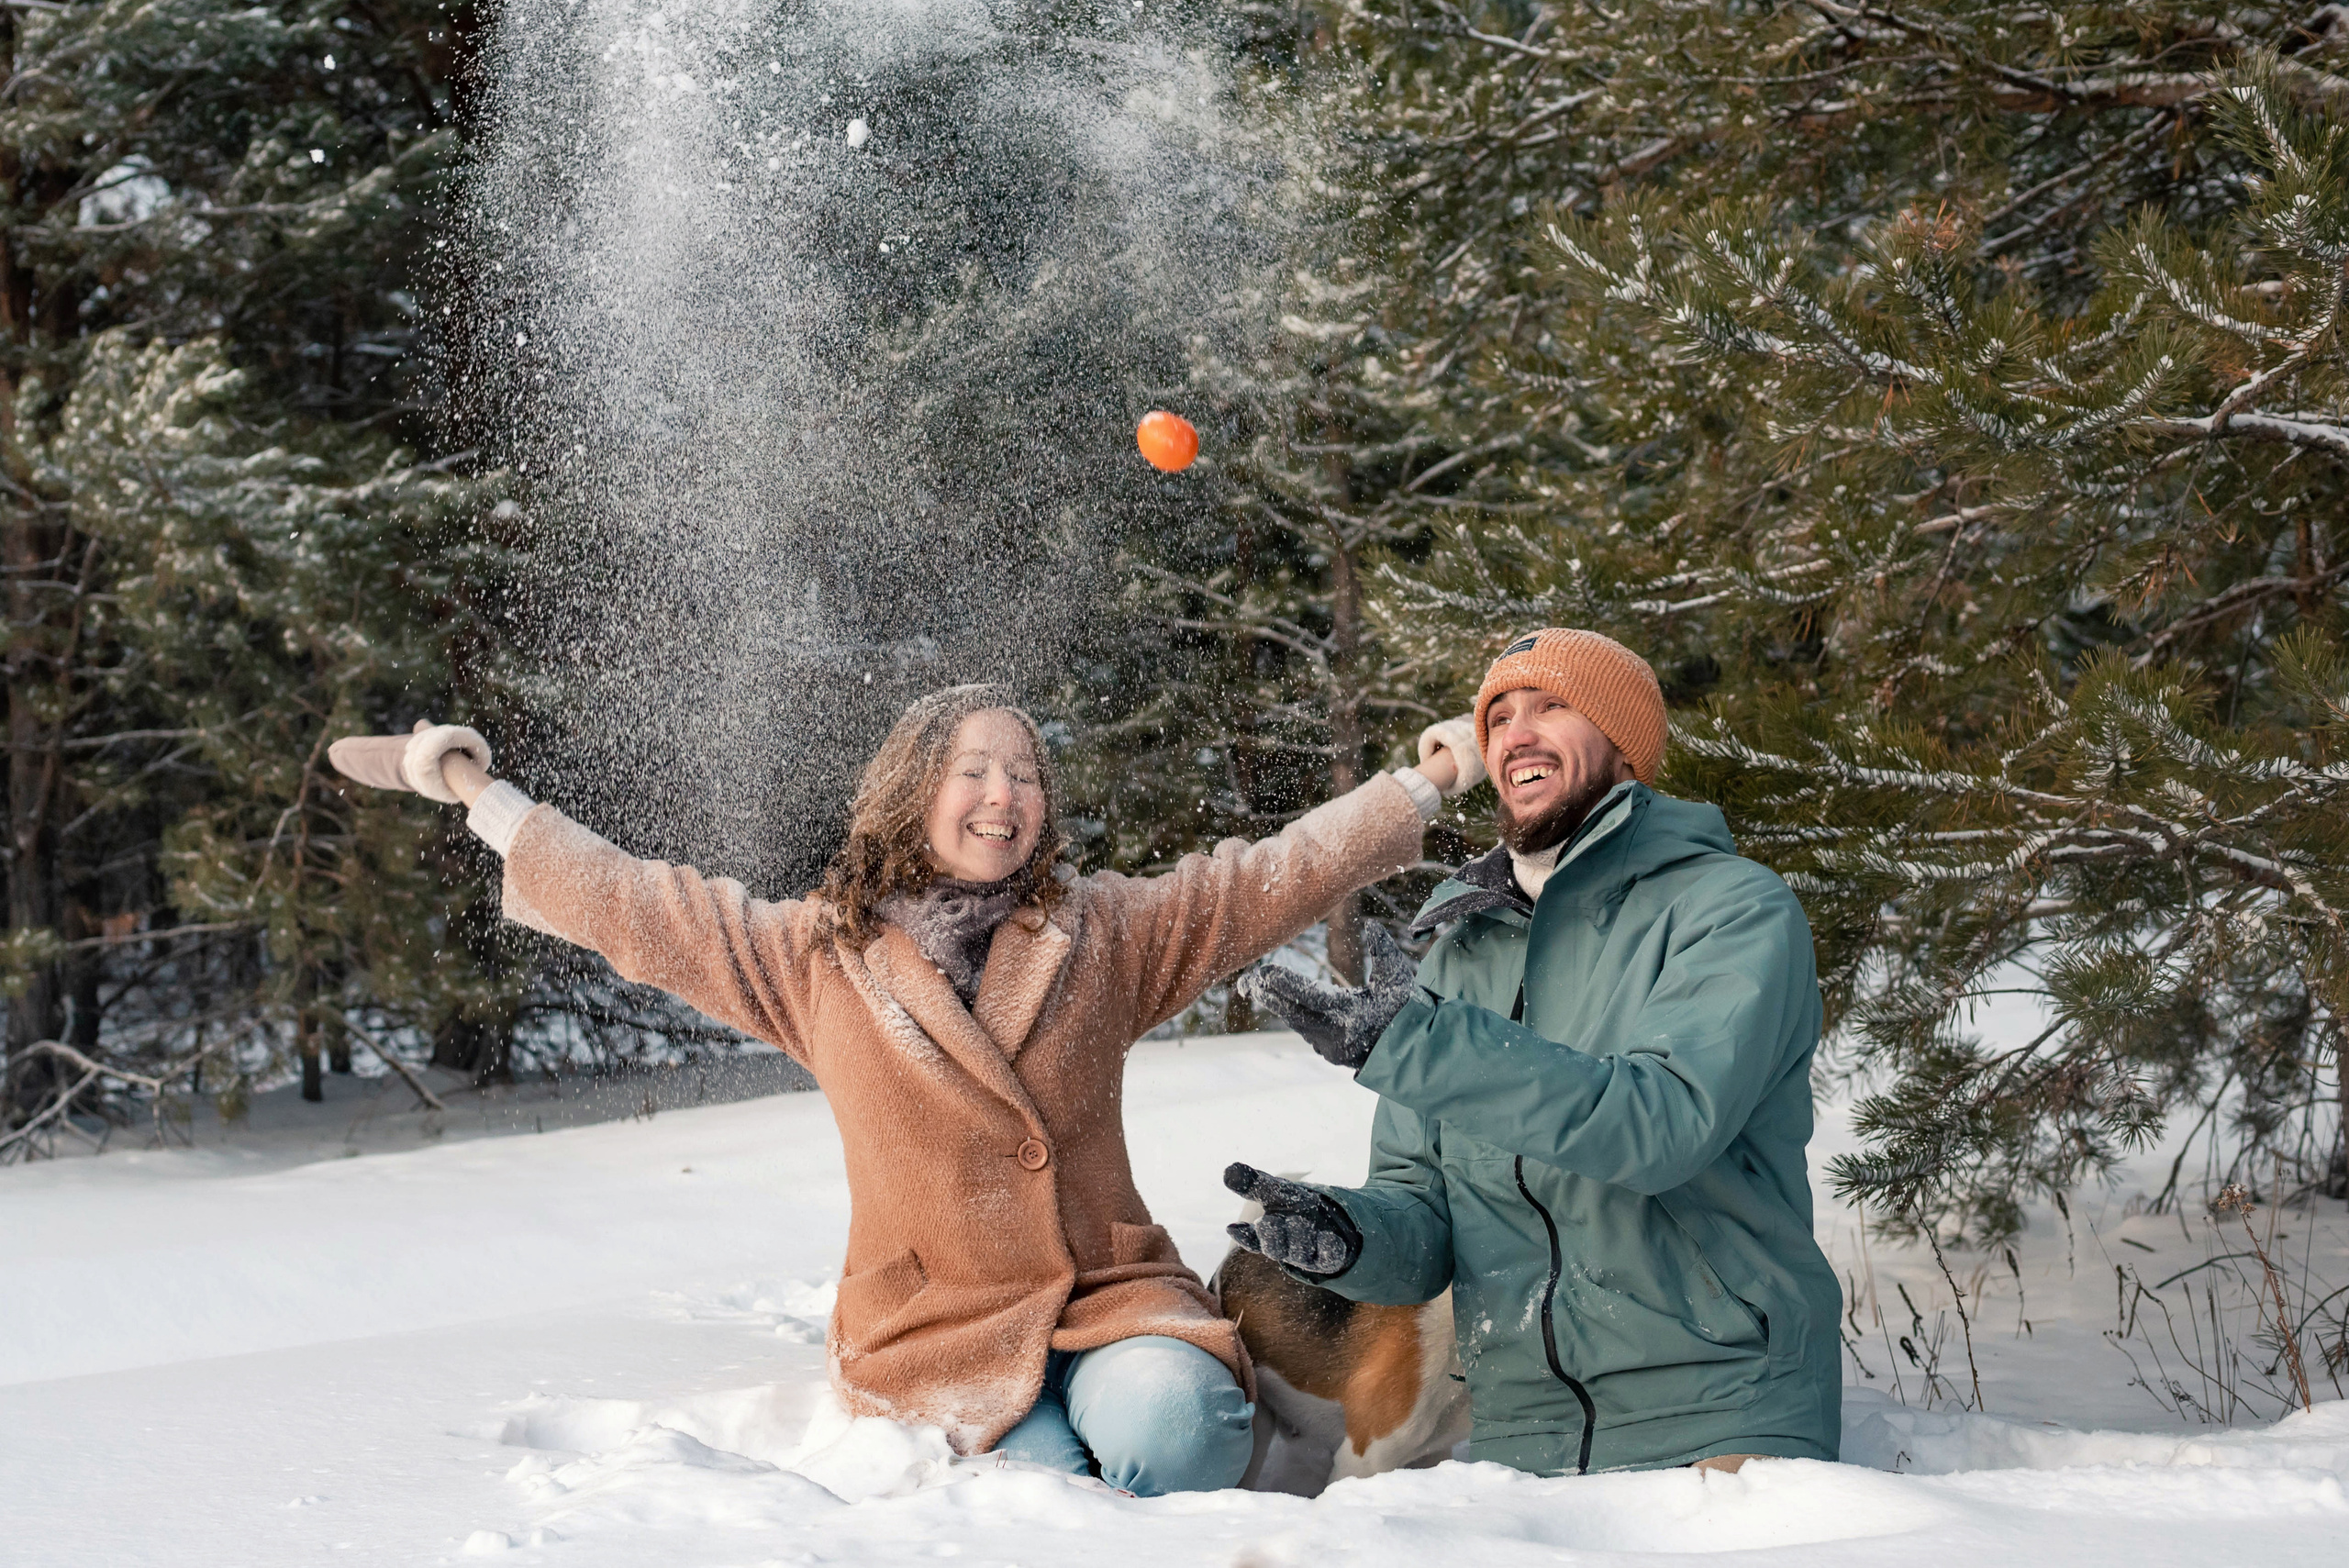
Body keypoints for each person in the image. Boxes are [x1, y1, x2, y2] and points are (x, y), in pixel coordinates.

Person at [328, 684, 1475, 1496]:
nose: (1002, 792)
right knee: (1035, 1495)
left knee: (1182, 1436)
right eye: (973, 769)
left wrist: (1426, 783)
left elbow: (1269, 875)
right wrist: (478, 791)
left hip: (1108, 1295)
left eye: (1024, 772)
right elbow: (635, 902)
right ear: (913, 792)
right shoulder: (812, 957)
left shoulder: (1105, 934)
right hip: (936, 1324)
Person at [1228, 629, 1842, 1475]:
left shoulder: (1732, 909)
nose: (1516, 733)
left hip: (1716, 1414)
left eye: (1551, 706)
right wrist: (1354, 1238)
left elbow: (1661, 1125)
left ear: (1624, 744)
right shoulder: (1461, 953)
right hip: (1526, 1448)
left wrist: (1426, 1047)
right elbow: (1424, 1209)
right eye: (1499, 718)